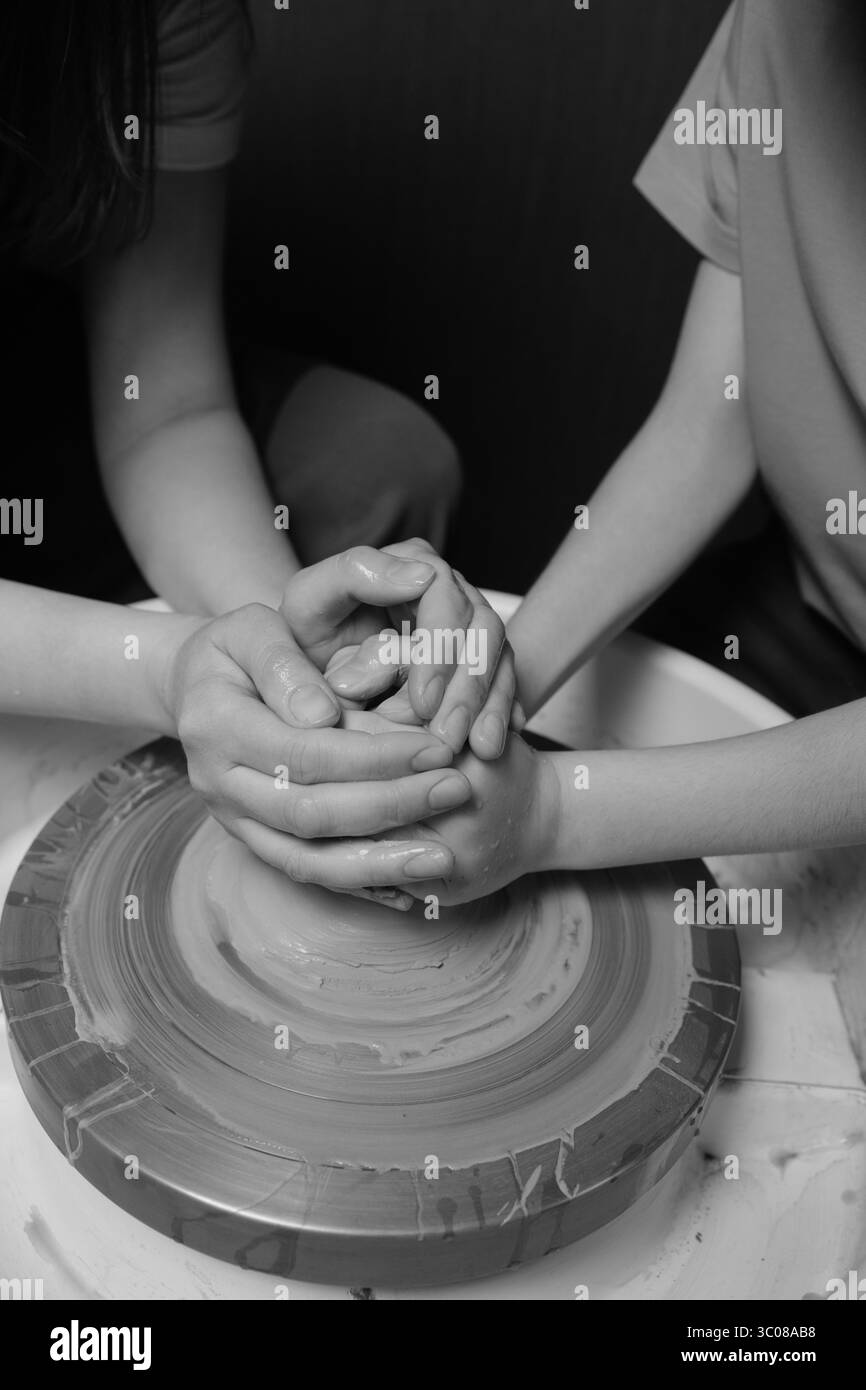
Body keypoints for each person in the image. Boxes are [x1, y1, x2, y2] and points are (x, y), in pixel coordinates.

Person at [287, 0, 866, 905]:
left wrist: (557, 816)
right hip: (809, 607)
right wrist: (495, 684)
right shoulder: (785, 23)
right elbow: (715, 416)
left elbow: (561, 813)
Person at [0, 0, 513, 870]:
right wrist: (166, 670)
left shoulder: (149, 18)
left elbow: (165, 406)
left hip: (37, 371)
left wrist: (281, 647)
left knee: (382, 461)